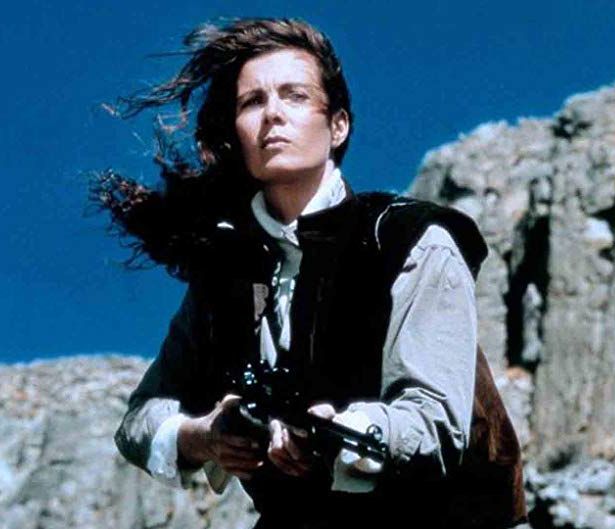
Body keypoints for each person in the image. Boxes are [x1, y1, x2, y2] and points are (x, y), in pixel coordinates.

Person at [92, 17, 527, 529]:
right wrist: (206, 435)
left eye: (295, 96)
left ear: (337, 125)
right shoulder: (225, 277)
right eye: (252, 102)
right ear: (236, 132)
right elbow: (140, 419)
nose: (272, 113)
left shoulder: (409, 239)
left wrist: (335, 432)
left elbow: (435, 420)